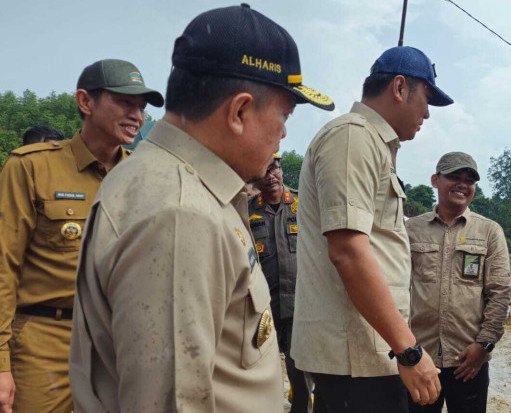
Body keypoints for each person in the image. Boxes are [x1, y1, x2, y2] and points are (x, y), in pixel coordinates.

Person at [68, 5, 333, 412]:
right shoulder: (179, 214)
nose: (283, 132)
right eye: (284, 114)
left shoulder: (172, 183)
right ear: (240, 112)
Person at [291, 45, 453, 412]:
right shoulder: (354, 138)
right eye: (426, 99)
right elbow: (348, 251)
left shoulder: (371, 143)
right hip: (354, 360)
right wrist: (409, 351)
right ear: (400, 88)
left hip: (370, 351)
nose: (427, 113)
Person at [0, 59, 162, 413]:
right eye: (124, 102)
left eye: (141, 107)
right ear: (85, 102)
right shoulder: (31, 166)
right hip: (44, 343)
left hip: (118, 345)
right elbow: (3, 269)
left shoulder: (143, 176)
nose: (137, 115)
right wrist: (1, 365)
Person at [406, 152, 511, 413]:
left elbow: (500, 291)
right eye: (454, 177)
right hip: (420, 358)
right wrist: (405, 350)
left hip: (469, 360)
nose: (463, 185)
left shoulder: (489, 231)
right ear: (435, 180)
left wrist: (484, 345)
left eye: (470, 180)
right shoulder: (411, 230)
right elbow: (397, 289)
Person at [248, 153, 311, 413]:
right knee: (262, 370)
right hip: (262, 309)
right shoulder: (247, 210)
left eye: (274, 169)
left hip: (300, 306)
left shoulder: (304, 203)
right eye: (263, 171)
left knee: (301, 372)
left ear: (282, 171)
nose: (270, 176)